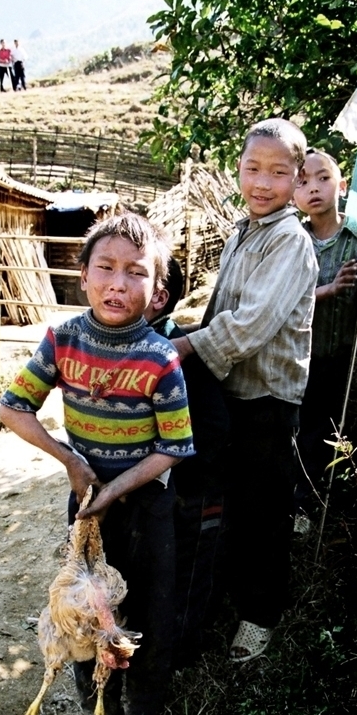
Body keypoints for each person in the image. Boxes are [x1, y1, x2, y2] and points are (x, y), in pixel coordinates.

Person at [0, 212, 195, 715]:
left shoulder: (160, 358)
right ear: (82, 275)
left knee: (148, 613)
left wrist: (117, 488)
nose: (118, 283)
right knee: (87, 611)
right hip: (87, 505)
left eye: (136, 272)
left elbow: (174, 446)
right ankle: (98, 709)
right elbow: (12, 408)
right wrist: (72, 462)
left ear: (157, 290)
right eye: (105, 268)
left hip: (147, 505)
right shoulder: (63, 341)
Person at [169, 117, 319, 664]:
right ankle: (227, 595)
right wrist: (186, 336)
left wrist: (184, 348)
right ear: (238, 169)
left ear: (298, 179)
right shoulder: (242, 232)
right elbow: (220, 310)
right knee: (229, 500)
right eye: (253, 168)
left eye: (278, 173)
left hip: (268, 400)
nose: (262, 182)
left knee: (264, 510)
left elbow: (251, 324)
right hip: (230, 392)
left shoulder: (290, 241)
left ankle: (261, 615)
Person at [292, 148, 357, 520]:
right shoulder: (293, 240)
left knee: (335, 433)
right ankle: (298, 508)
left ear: (343, 185)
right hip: (298, 359)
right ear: (293, 193)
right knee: (300, 433)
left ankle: (328, 511)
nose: (313, 188)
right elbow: (283, 301)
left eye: (323, 178)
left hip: (343, 361)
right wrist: (327, 290)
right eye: (303, 181)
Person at [145, 257, 230, 669]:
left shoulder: (176, 352)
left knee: (190, 570)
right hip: (167, 488)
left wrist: (182, 482)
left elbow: (213, 428)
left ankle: (180, 657)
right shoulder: (140, 347)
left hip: (197, 487)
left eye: (135, 275)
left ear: (158, 298)